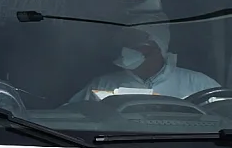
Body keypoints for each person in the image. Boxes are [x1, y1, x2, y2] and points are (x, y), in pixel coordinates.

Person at [70, 20, 219, 102]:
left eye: (133, 44)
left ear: (156, 47)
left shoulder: (198, 84)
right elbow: (71, 115)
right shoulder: (102, 84)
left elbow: (224, 116)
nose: (125, 49)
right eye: (124, 43)